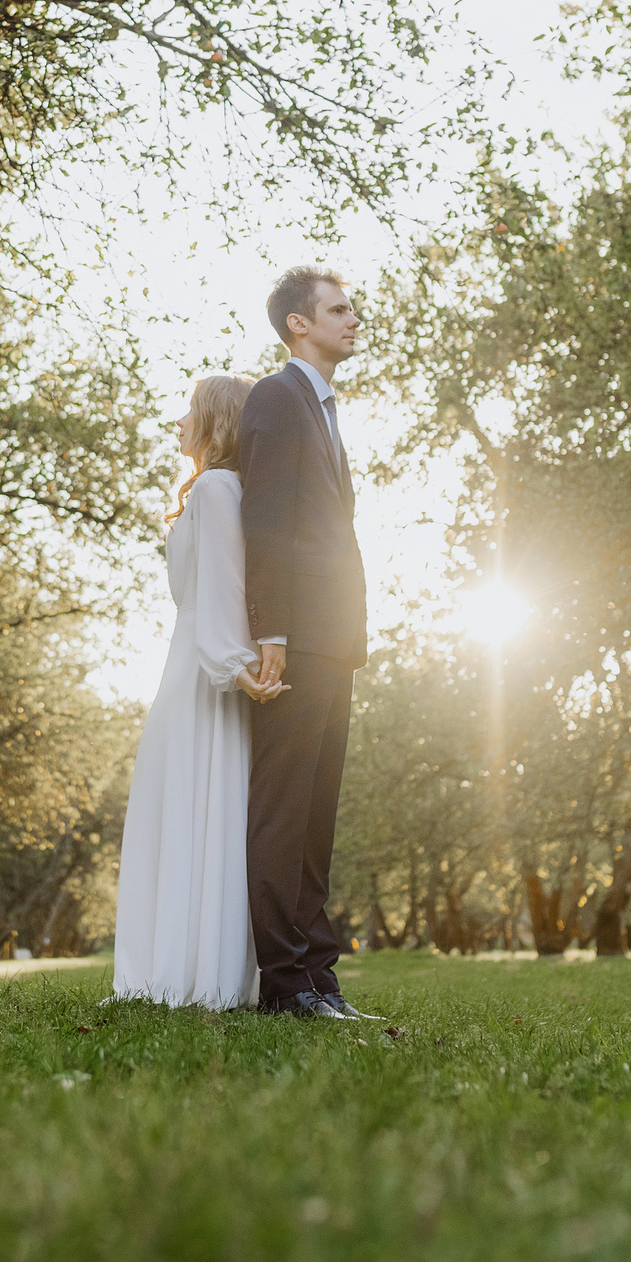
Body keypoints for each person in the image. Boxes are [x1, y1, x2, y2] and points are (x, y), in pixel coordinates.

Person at [110, 374, 288, 1009]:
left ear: (214, 421)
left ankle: (188, 976)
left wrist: (232, 663)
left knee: (189, 807)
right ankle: (188, 970)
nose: (178, 422)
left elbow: (225, 585)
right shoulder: (218, 488)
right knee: (192, 809)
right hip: (193, 662)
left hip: (203, 670)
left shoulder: (215, 487)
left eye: (189, 410)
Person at [238, 267, 378, 1021]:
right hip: (295, 639)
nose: (354, 320)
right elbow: (265, 519)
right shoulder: (276, 396)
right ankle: (285, 983)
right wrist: (272, 631)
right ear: (299, 323)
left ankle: (321, 979)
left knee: (316, 818)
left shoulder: (323, 407)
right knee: (283, 811)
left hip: (336, 639)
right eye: (339, 309)